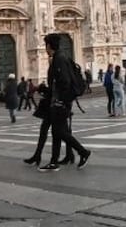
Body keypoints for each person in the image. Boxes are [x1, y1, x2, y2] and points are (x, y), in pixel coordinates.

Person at [38, 33, 91, 172]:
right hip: (60, 101)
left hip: (60, 102)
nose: (45, 48)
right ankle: (54, 161)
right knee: (57, 132)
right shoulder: (60, 56)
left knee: (60, 132)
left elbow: (64, 82)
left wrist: (61, 100)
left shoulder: (59, 59)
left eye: (45, 45)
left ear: (49, 46)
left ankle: (83, 152)